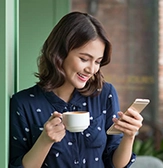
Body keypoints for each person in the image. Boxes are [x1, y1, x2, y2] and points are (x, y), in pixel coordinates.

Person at [9, 11, 143, 168]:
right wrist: (45, 140)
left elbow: (115, 164)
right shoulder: (24, 104)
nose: (91, 69)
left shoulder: (104, 94)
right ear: (60, 53)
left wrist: (129, 135)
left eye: (98, 61)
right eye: (84, 59)